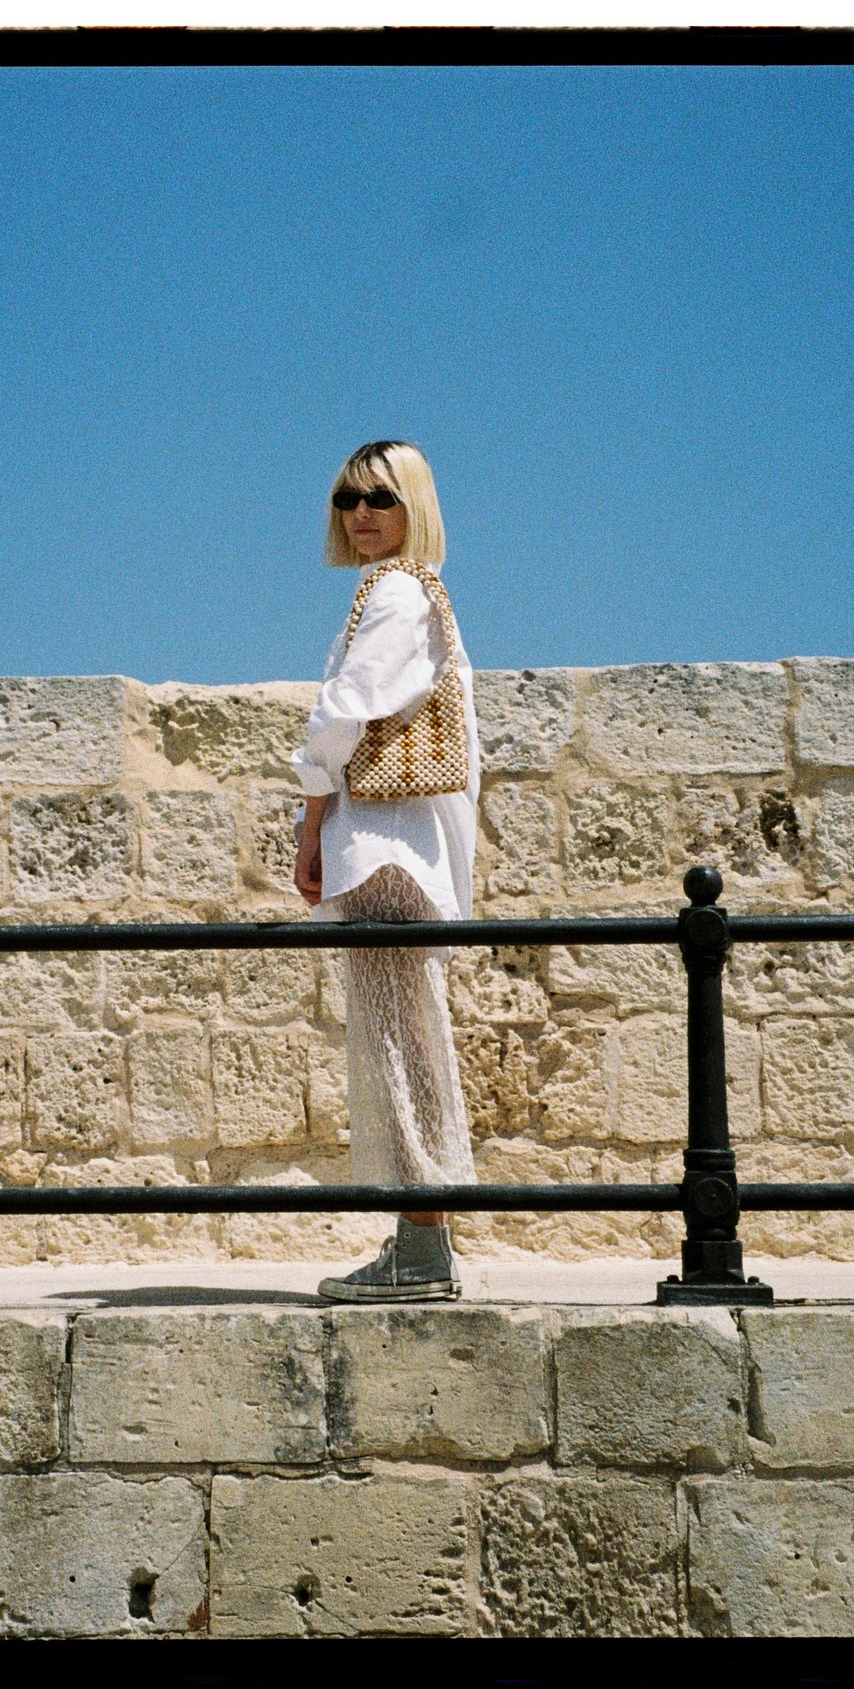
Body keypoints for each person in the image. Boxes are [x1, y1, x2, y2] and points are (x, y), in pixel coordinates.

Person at [290, 441, 480, 1302]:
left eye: (379, 495)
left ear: (415, 504)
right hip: (407, 848)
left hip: (384, 850)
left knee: (395, 1044)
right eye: (344, 498)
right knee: (404, 1037)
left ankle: (421, 1248)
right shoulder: (412, 593)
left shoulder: (398, 592)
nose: (359, 512)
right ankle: (421, 1241)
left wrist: (311, 817)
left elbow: (345, 712)